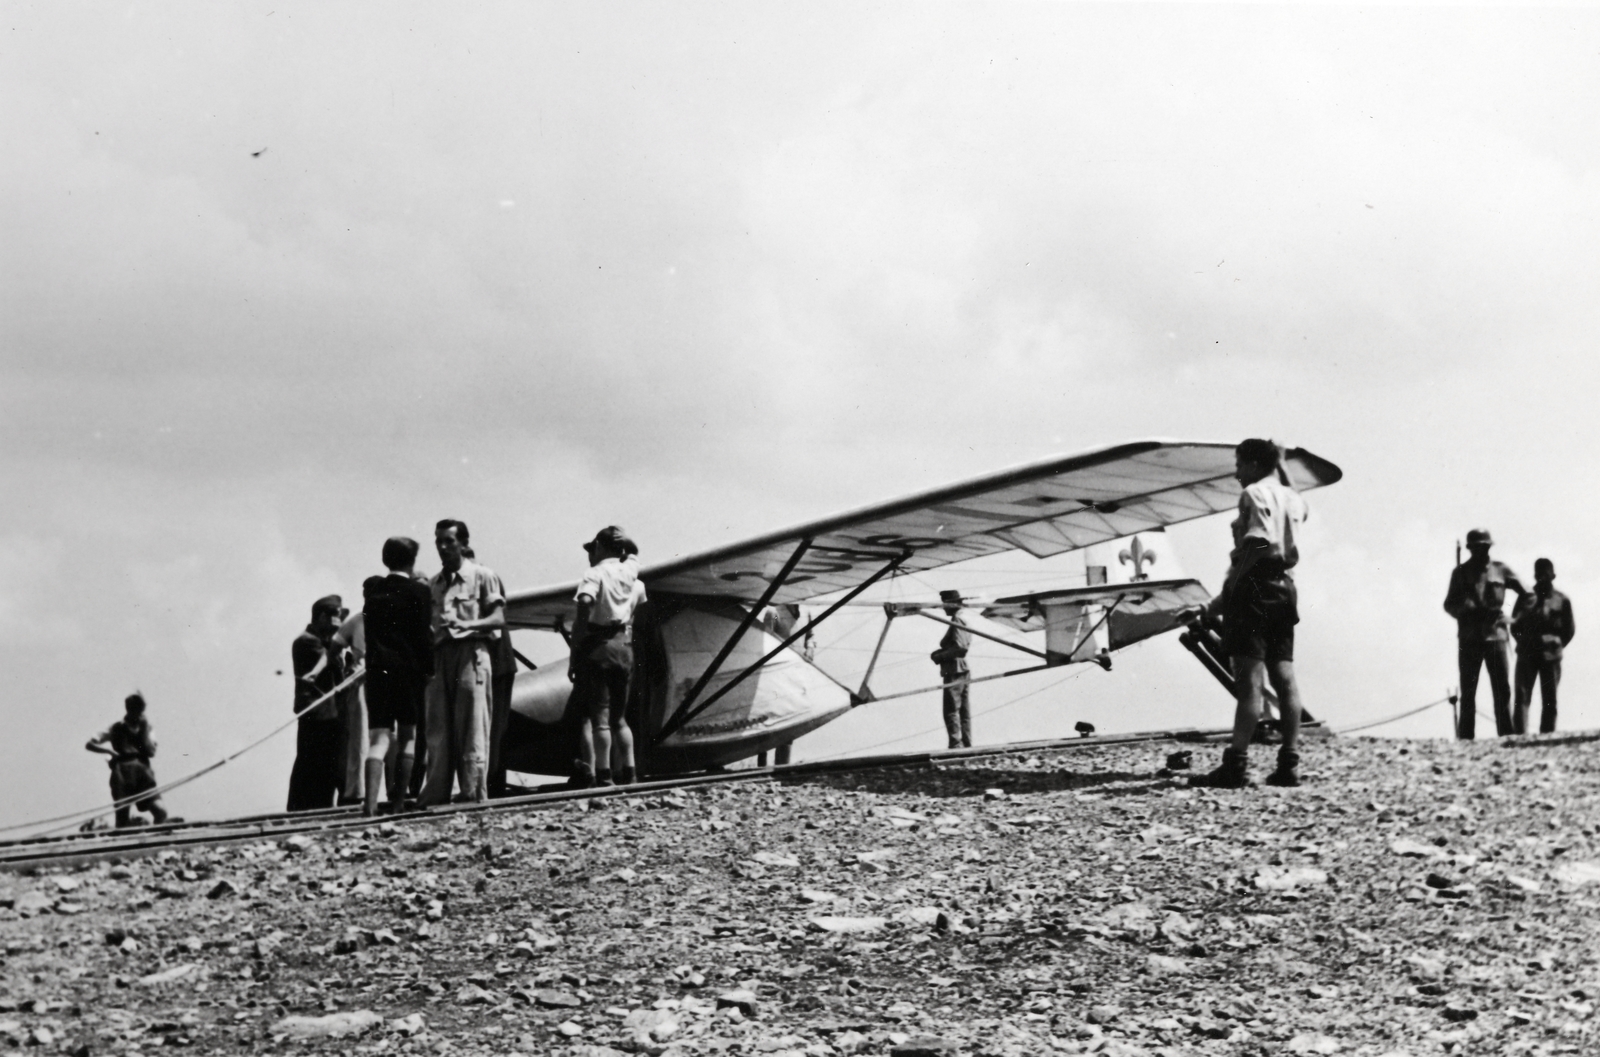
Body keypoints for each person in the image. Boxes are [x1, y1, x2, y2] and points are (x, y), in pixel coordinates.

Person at [1191, 439, 1310, 789]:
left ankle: (1237, 765)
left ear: (1256, 464)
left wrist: (1230, 587)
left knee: (1250, 682)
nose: (1237, 471)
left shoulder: (1254, 494)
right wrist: (1282, 462)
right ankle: (1289, 763)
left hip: (1253, 588)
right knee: (1284, 675)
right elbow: (1291, 502)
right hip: (1284, 588)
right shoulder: (1294, 498)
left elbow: (1258, 542)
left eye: (1240, 463)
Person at [420, 520, 504, 806]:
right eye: (439, 542)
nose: (443, 547)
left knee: (472, 725)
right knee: (438, 728)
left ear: (463, 543)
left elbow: (498, 619)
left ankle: (472, 792)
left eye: (449, 541)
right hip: (440, 656)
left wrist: (466, 623)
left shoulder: (483, 576)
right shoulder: (433, 584)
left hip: (471, 653)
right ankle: (436, 793)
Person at [361, 537, 434, 815]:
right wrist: (429, 671)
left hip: (377, 671)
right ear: (412, 561)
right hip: (409, 673)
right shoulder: (419, 592)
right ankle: (399, 803)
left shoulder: (373, 591)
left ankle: (368, 806)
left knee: (378, 739)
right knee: (408, 737)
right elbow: (423, 638)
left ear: (385, 559)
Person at [569, 525, 646, 787]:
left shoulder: (595, 573)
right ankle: (631, 773)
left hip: (599, 646)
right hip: (624, 647)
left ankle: (603, 775)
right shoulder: (632, 574)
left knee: (599, 719)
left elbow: (585, 602)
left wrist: (578, 640)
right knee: (620, 718)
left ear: (600, 547)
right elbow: (634, 552)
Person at [1443, 528, 1528, 739]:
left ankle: (1506, 736)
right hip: (1470, 636)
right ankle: (1466, 738)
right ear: (1471, 549)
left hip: (1496, 635)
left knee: (1502, 690)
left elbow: (1529, 595)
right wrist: (1465, 608)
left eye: (1485, 546)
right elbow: (1449, 604)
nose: (1482, 550)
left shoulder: (1501, 570)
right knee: (1468, 691)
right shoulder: (1460, 573)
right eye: (1478, 547)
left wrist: (1515, 619)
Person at [462, 544, 518, 797]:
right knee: (496, 727)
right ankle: (491, 781)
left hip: (493, 662)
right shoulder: (488, 577)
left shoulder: (480, 579)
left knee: (491, 726)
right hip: (499, 662)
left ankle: (490, 782)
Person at [287, 595, 347, 810]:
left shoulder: (315, 640)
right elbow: (335, 665)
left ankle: (312, 807)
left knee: (316, 765)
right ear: (323, 616)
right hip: (319, 714)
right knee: (315, 764)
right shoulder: (308, 641)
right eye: (336, 617)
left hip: (322, 713)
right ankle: (307, 808)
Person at [85, 693, 172, 827]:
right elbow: (90, 744)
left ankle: (156, 839)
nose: (137, 714)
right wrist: (109, 751)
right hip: (122, 773)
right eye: (134, 709)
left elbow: (151, 752)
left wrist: (143, 731)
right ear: (128, 709)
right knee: (122, 817)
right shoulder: (116, 727)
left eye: (139, 710)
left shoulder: (147, 728)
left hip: (143, 772)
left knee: (161, 811)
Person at [1511, 557, 1575, 735]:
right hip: (1527, 654)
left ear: (1553, 575)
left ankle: (1547, 736)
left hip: (1551, 655)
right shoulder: (1525, 598)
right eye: (1539, 573)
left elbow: (1569, 630)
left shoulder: (1562, 600)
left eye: (1546, 574)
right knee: (1522, 696)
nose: (1542, 577)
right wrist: (1526, 643)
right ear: (1535, 575)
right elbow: (1515, 626)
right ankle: (1519, 736)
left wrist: (1555, 645)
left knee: (1550, 698)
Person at [930, 589, 972, 749]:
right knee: (963, 711)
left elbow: (960, 648)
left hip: (955, 670)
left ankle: (956, 744)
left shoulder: (957, 620)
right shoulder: (963, 618)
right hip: (961, 669)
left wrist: (939, 656)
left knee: (951, 710)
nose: (943, 608)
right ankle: (966, 744)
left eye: (945, 604)